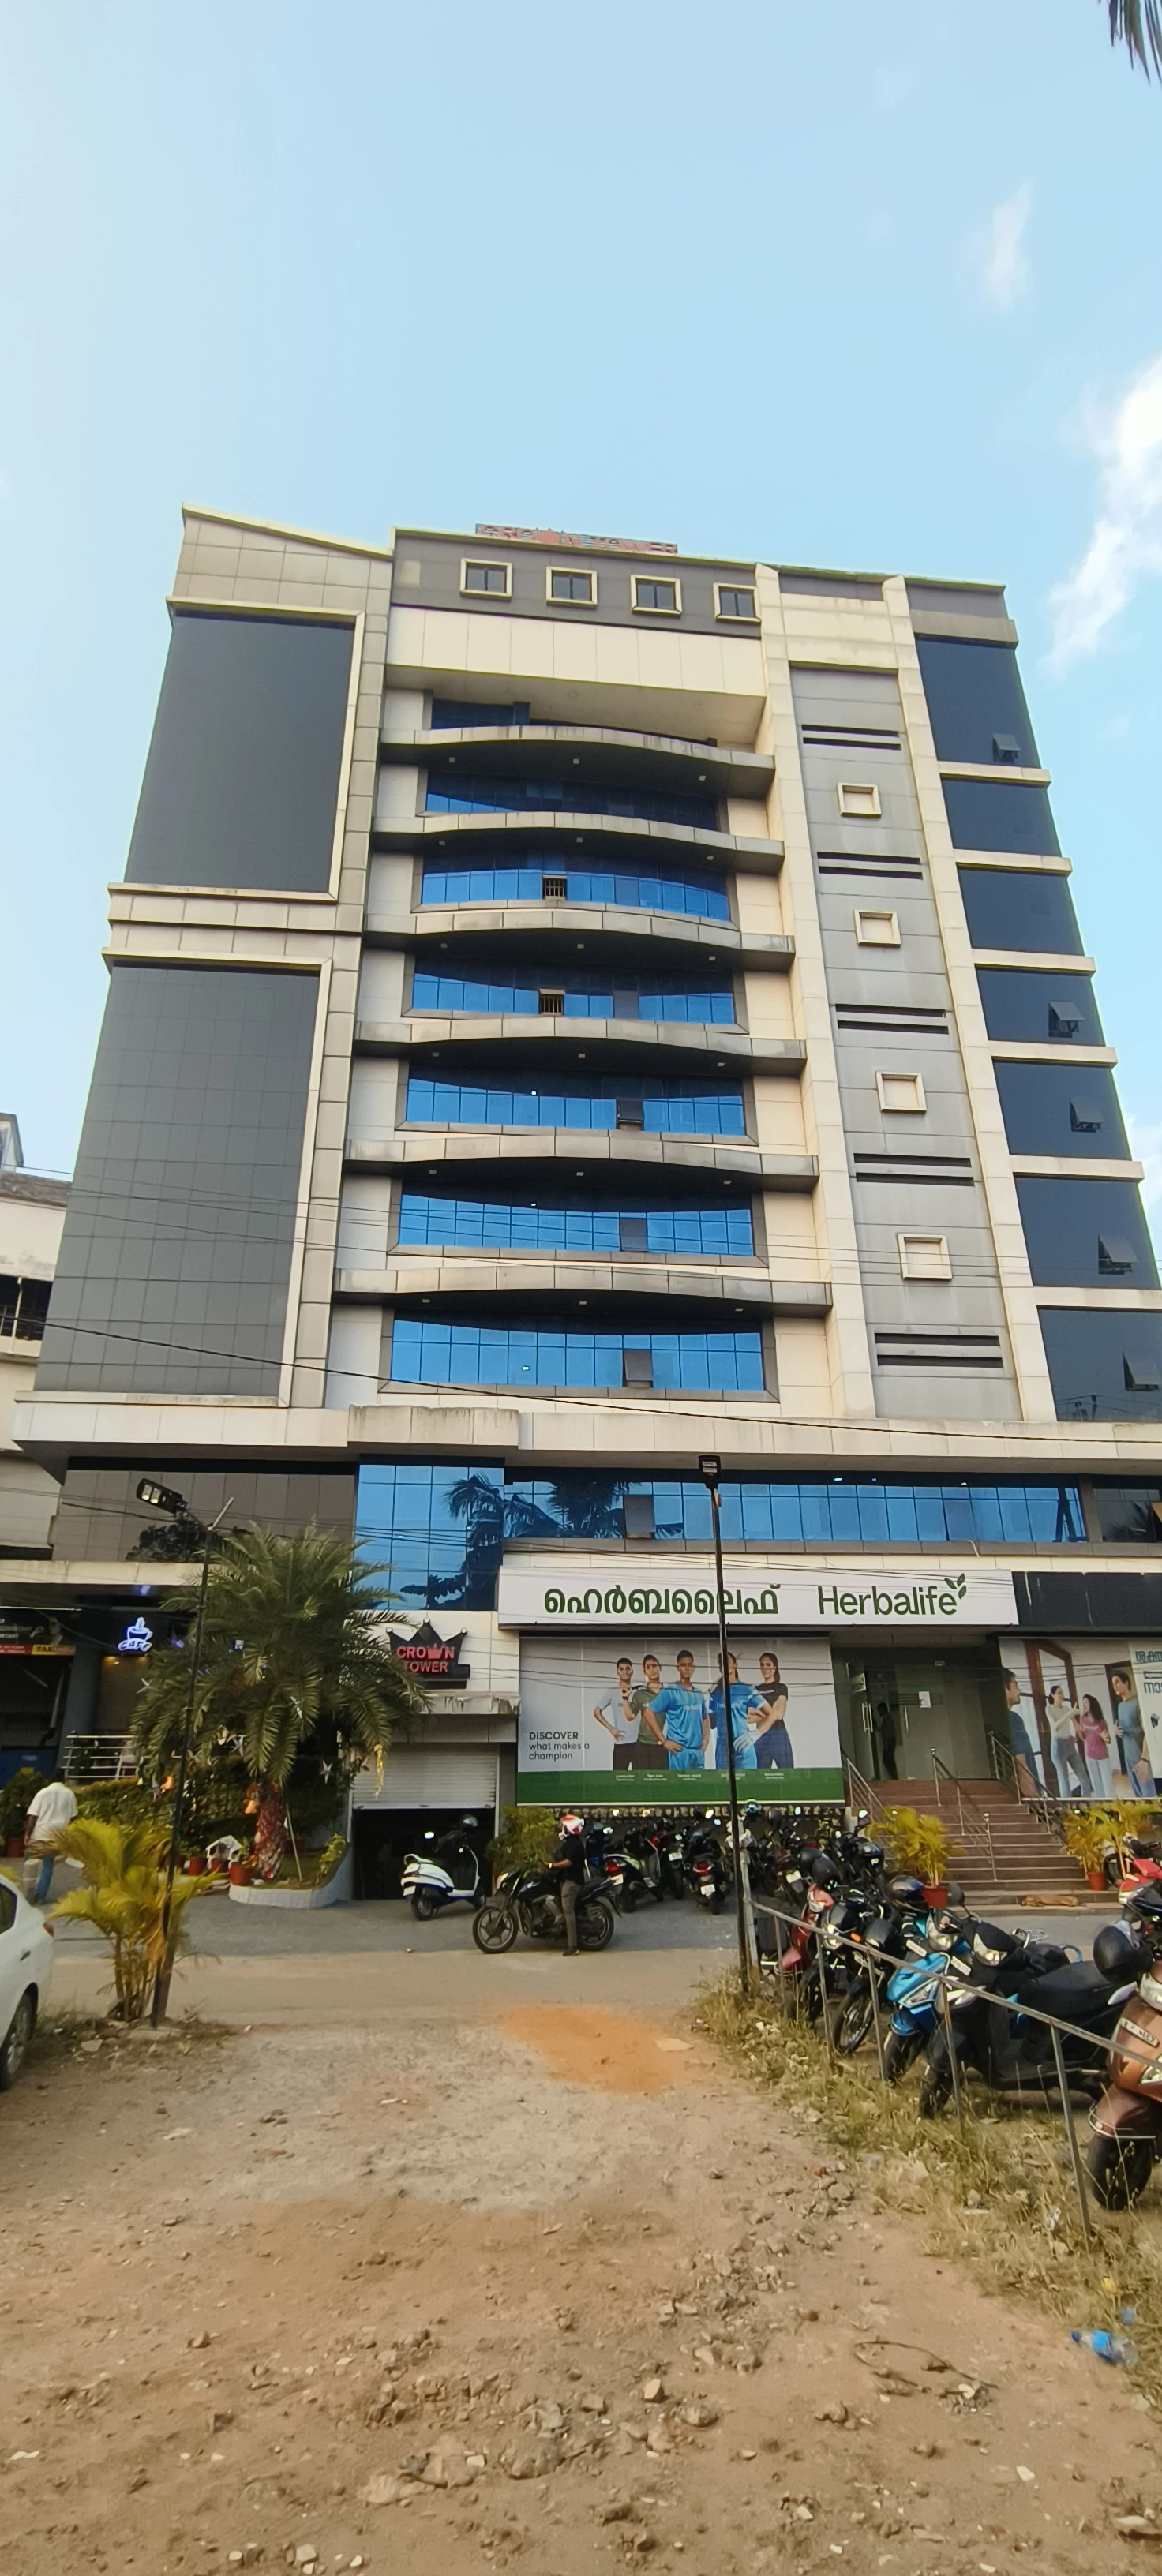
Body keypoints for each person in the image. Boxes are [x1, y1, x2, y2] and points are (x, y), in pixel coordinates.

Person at [643, 1649, 710, 1770]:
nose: (687, 1668)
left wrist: (706, 1740)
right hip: (679, 1751)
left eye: (689, 1665)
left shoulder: (698, 1694)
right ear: (678, 1668)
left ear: (693, 1667)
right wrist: (664, 1741)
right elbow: (648, 1712)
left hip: (697, 1751)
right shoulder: (670, 1691)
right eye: (683, 1665)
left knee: (700, 1782)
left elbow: (705, 1718)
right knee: (680, 1783)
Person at [591, 1657, 656, 1772]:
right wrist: (611, 1729)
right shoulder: (612, 1692)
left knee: (640, 1779)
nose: (625, 1671)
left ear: (632, 1671)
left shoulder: (639, 1691)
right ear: (618, 1672)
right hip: (622, 1743)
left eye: (627, 1669)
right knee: (619, 1778)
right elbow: (597, 1712)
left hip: (639, 1743)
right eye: (622, 1669)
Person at [24, 1769, 78, 1904]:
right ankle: (41, 1896)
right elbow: (74, 1817)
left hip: (39, 1835)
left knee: (30, 1864)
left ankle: (28, 1893)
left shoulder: (42, 1793)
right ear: (63, 1779)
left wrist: (27, 1834)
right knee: (48, 1866)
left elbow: (33, 1816)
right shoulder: (69, 1794)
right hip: (57, 1836)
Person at [707, 1653, 763, 1771]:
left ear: (735, 1665)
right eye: (722, 1663)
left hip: (742, 1744)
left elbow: (770, 1714)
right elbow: (712, 1722)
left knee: (747, 1780)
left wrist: (755, 1733)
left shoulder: (746, 1690)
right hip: (723, 1748)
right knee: (724, 1781)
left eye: (728, 1662)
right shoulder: (716, 1692)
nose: (725, 1665)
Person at [546, 1811, 588, 1956]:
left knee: (568, 1911)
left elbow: (568, 1862)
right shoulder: (569, 1843)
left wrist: (552, 1866)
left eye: (563, 1827)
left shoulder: (574, 1844)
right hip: (565, 1878)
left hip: (572, 1882)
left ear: (569, 1828)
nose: (561, 1829)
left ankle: (573, 1946)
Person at [1001, 1667, 1047, 1795]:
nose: (1019, 1691)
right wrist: (1034, 1798)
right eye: (1015, 1685)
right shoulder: (1013, 1719)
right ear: (1004, 1689)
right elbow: (1022, 1763)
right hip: (1025, 1793)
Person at [1111, 1668, 1152, 1798]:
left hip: (1141, 1757)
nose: (1115, 1686)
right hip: (1128, 1758)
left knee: (1149, 1796)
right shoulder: (1120, 1706)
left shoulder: (1138, 1703)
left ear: (1126, 1683)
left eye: (1117, 1682)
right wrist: (1115, 1731)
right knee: (1138, 1796)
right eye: (1113, 1684)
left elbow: (1148, 1732)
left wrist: (1144, 1759)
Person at [1046, 1683, 1090, 1799]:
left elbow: (1076, 1725)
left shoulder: (1066, 1709)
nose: (1062, 1695)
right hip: (1058, 1746)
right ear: (1053, 1695)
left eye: (1062, 1693)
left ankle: (1087, 1801)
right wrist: (1069, 1714)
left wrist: (1081, 1736)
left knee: (1083, 1775)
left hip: (1069, 1744)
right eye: (1059, 1693)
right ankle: (1067, 1806)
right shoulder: (1049, 1709)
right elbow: (1055, 1727)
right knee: (1064, 1779)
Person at [753, 1651, 795, 1769]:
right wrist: (771, 1711)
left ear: (774, 1668)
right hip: (761, 1734)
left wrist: (761, 1712)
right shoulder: (756, 1689)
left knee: (787, 1772)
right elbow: (750, 1715)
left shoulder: (781, 1688)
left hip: (778, 1733)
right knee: (760, 1774)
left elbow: (779, 1714)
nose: (765, 1668)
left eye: (768, 1665)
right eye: (762, 1665)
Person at [1078, 1694, 1113, 1799]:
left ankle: (1111, 1805)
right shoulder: (1082, 1719)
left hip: (1103, 1756)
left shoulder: (1101, 1721)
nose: (1084, 1705)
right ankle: (1102, 1805)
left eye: (1086, 1702)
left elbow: (1109, 1741)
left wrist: (1103, 1737)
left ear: (1092, 1704)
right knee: (1096, 1785)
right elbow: (1083, 1737)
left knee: (1108, 1786)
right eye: (1083, 1702)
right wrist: (1075, 1725)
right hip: (1090, 1756)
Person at [875, 1700, 898, 1783]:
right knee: (889, 1759)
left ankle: (894, 1777)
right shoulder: (887, 1718)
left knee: (888, 1759)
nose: (879, 1713)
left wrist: (886, 1743)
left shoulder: (887, 1718)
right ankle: (894, 1776)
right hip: (890, 1740)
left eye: (879, 1710)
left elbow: (888, 1732)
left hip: (889, 1740)